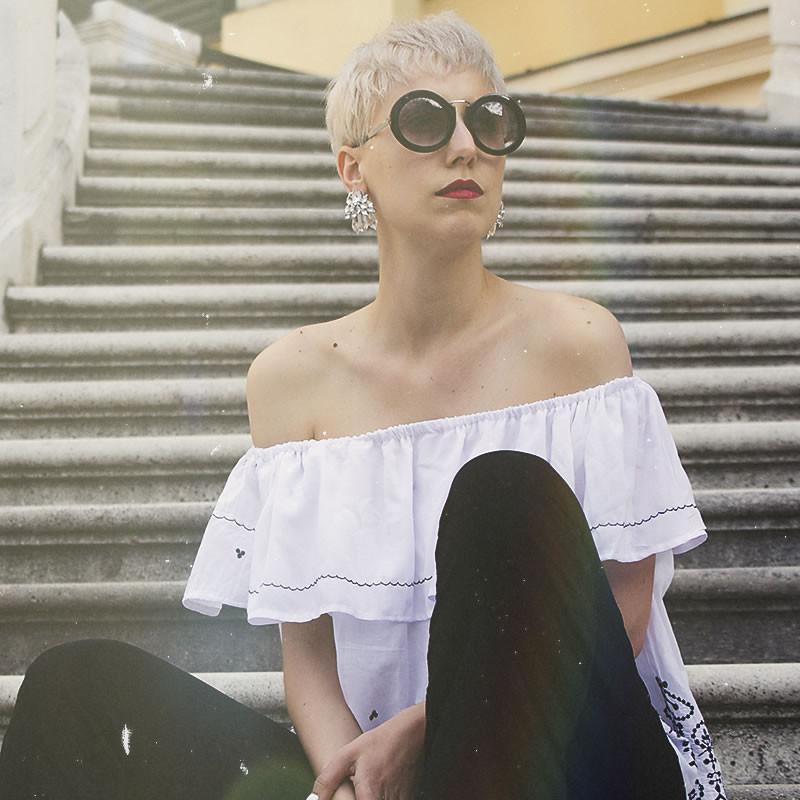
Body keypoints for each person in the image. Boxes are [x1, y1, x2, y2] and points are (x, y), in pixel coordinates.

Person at [0, 10, 728, 800]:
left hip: (565, 756)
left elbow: (622, 614)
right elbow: (309, 664)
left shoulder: (578, 342)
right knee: (76, 686)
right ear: (353, 167)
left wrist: (423, 731)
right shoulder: (291, 381)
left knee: (503, 493)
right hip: (393, 781)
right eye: (426, 121)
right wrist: (350, 780)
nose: (466, 146)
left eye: (490, 121)